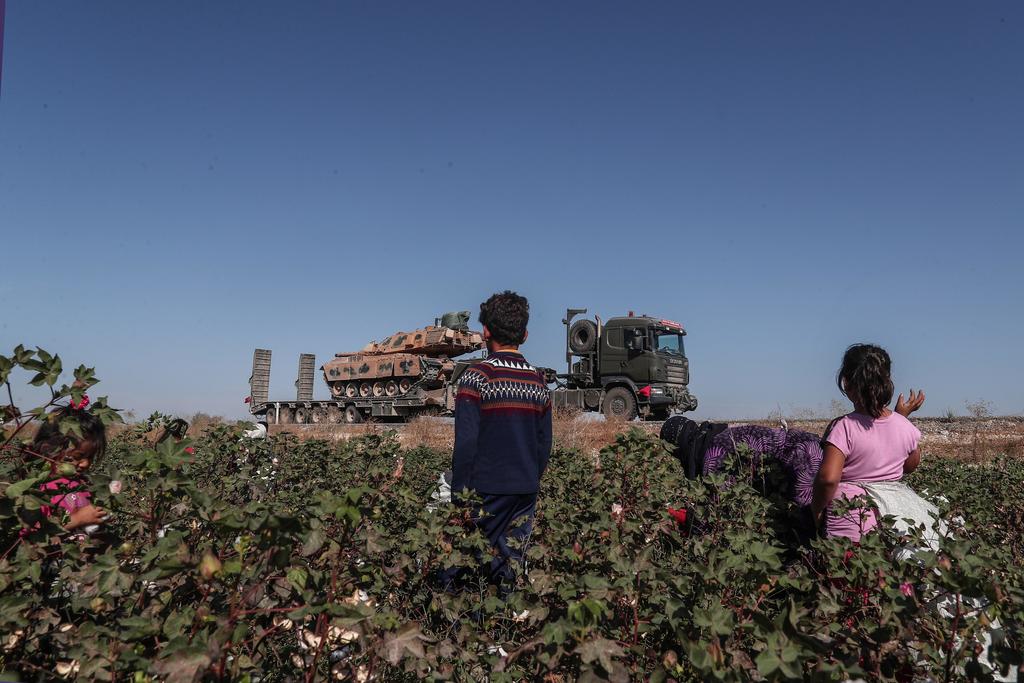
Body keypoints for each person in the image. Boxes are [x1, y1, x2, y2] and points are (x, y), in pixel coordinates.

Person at [449, 291, 552, 589]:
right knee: (507, 566)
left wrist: (460, 495)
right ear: (526, 335)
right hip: (524, 491)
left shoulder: (477, 377)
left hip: (485, 491)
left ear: (485, 331)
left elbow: (466, 444)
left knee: (466, 566)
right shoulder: (538, 381)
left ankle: (467, 626)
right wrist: (531, 477)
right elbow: (544, 443)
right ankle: (501, 627)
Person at [811, 344, 925, 541]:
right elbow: (910, 465)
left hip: (853, 520)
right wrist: (902, 418)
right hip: (893, 516)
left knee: (848, 569)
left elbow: (829, 479)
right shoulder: (905, 426)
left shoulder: (843, 427)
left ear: (846, 383)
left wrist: (816, 510)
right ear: (887, 381)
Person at [26, 406, 110, 535]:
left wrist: (100, 516)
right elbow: (33, 532)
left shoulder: (83, 484)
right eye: (77, 457)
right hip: (55, 554)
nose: (85, 463)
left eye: (90, 457)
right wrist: (77, 519)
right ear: (49, 448)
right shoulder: (38, 489)